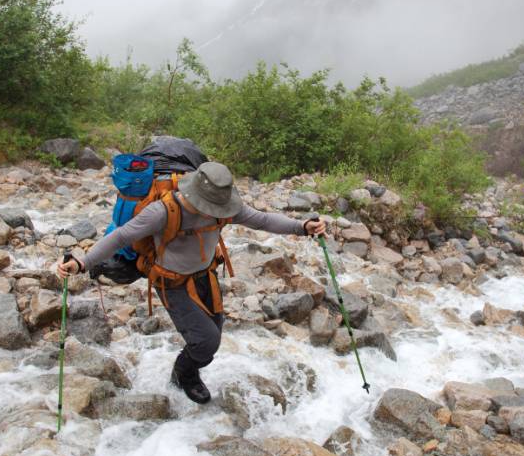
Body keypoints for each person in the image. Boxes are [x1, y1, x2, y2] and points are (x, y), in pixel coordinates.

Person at [56, 161, 326, 404]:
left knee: (213, 334)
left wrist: (301, 226)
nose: (215, 211)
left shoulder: (224, 208)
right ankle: (183, 375)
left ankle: (190, 367)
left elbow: (263, 220)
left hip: (205, 276)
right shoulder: (163, 211)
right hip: (171, 283)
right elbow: (121, 237)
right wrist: (82, 263)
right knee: (207, 342)